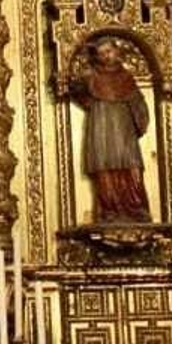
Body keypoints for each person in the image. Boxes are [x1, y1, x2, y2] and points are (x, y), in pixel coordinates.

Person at [63, 35, 152, 221]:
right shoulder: (92, 77)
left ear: (117, 52)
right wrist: (75, 83)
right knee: (105, 171)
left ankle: (136, 209)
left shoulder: (126, 77)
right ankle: (109, 210)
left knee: (133, 169)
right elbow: (75, 90)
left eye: (109, 51)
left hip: (124, 130)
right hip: (101, 128)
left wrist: (141, 117)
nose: (106, 56)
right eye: (101, 53)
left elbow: (137, 101)